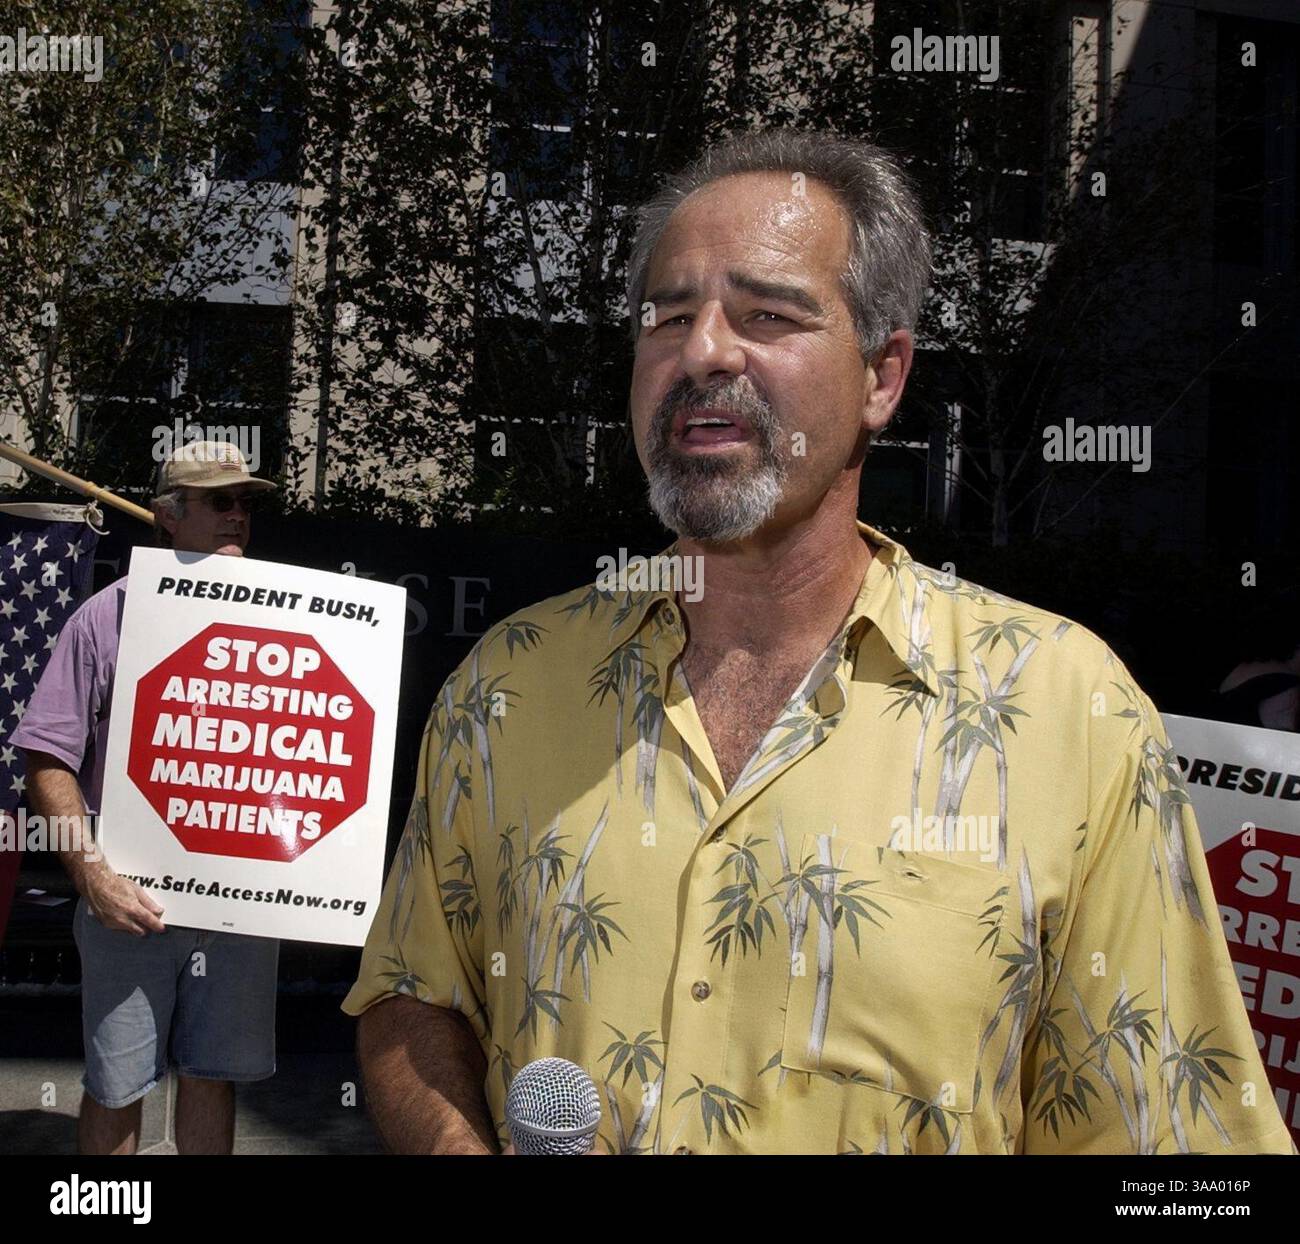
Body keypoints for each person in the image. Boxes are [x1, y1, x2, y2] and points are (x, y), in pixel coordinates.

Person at [345, 131, 1294, 1154]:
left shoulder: (1072, 714)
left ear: (883, 376)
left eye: (767, 313)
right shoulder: (507, 684)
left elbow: (1173, 1138)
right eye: (667, 314)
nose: (701, 350)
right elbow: (410, 992)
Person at [14, 441, 280, 1155]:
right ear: (168, 516)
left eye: (246, 502)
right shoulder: (105, 617)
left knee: (211, 1076)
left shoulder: (289, 618)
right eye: (220, 501)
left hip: (240, 909)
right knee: (116, 1083)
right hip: (130, 905)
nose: (238, 517)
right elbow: (47, 757)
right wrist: (92, 876)